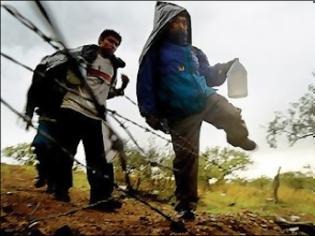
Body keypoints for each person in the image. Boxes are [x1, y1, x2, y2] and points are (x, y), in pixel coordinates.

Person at [136, 2, 257, 220]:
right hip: (179, 110)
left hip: (205, 98)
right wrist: (149, 112)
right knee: (186, 158)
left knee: (231, 113)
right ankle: (186, 204)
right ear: (164, 24)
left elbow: (209, 75)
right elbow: (145, 82)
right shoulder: (155, 52)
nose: (181, 26)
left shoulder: (194, 52)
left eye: (184, 22)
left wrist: (225, 67)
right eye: (175, 22)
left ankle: (238, 138)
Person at [37, 29, 128, 212]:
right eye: (110, 41)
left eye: (116, 44)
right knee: (66, 152)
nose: (113, 46)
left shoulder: (113, 66)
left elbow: (104, 92)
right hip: (73, 108)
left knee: (100, 158)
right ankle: (61, 189)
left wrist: (120, 88)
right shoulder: (86, 54)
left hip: (95, 116)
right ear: (101, 40)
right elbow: (69, 77)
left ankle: (100, 198)